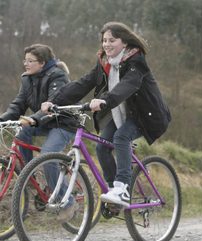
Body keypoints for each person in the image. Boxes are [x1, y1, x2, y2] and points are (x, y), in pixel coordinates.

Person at [41, 22, 171, 207]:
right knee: (101, 147)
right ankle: (112, 193)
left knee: (121, 137)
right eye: (104, 40)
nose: (107, 44)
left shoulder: (137, 62)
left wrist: (105, 100)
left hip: (146, 115)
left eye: (112, 40)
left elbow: (128, 85)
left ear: (124, 43)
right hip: (121, 113)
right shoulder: (104, 62)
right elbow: (83, 83)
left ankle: (122, 188)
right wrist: (55, 100)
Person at [0, 44, 78, 220]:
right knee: (22, 133)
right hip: (42, 120)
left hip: (62, 122)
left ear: (42, 63)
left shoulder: (57, 75)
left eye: (30, 61)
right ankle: (30, 173)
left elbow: (53, 103)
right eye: (25, 60)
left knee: (48, 155)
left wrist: (33, 118)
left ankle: (68, 202)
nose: (26, 64)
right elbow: (18, 103)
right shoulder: (27, 78)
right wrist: (3, 120)